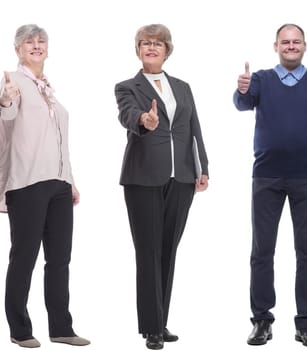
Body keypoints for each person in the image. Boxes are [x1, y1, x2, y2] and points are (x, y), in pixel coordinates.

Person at [233, 23, 307, 348]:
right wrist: (241, 89)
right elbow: (242, 103)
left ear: (304, 46)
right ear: (275, 46)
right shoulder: (260, 79)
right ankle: (261, 321)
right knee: (262, 251)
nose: (290, 46)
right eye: (284, 42)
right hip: (267, 176)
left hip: (306, 176)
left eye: (295, 42)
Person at [0, 24, 90, 348]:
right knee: (24, 257)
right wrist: (5, 98)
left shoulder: (48, 89)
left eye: (41, 41)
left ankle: (61, 328)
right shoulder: (14, 83)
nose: (36, 45)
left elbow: (60, 142)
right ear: (18, 49)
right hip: (28, 182)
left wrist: (70, 180)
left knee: (60, 259)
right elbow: (6, 112)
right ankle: (19, 329)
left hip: (59, 184)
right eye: (28, 42)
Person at [114, 23, 209, 350]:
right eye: (145, 43)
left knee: (169, 249)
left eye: (157, 43)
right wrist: (144, 120)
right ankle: (151, 328)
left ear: (167, 50)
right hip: (143, 178)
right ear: (138, 50)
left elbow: (194, 126)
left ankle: (161, 320)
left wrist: (203, 167)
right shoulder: (127, 86)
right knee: (149, 252)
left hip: (181, 177)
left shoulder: (182, 87)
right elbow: (127, 115)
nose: (151, 48)